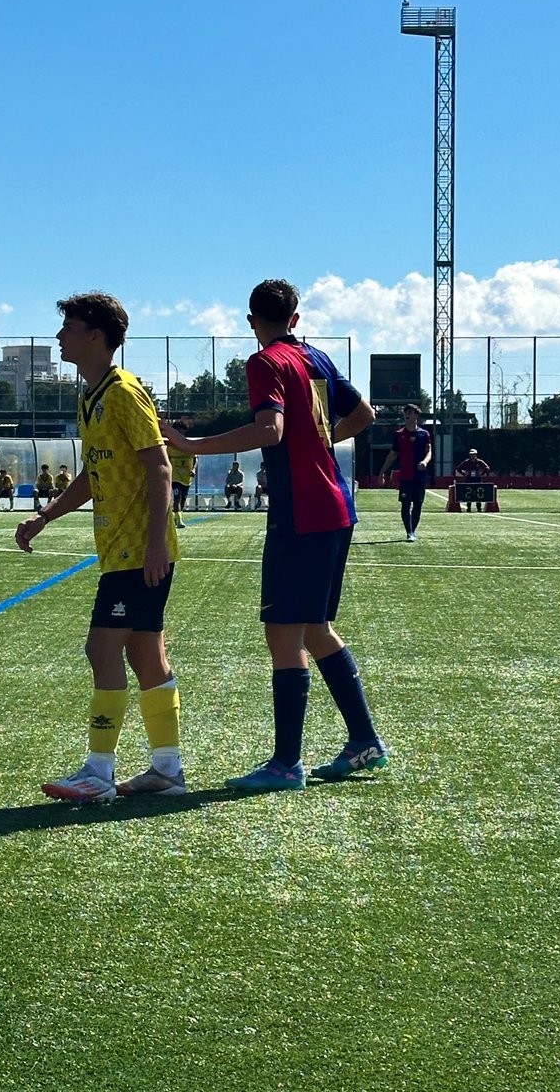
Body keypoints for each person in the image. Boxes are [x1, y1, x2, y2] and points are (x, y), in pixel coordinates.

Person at [162, 277, 386, 792]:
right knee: (315, 628)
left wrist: (192, 445)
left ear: (251, 321)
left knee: (284, 633)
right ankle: (363, 742)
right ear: (296, 318)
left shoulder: (265, 362)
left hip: (302, 512)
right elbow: (365, 415)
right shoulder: (316, 358)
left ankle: (287, 764)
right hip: (336, 507)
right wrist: (321, 439)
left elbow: (270, 430)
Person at [16, 291, 184, 803]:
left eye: (69, 327)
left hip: (138, 552)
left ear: (96, 336)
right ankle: (166, 771)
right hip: (120, 550)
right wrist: (46, 515)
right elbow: (94, 475)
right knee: (144, 654)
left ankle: (99, 771)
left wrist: (157, 544)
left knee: (102, 649)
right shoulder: (91, 397)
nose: (60, 336)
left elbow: (160, 465)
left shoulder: (125, 392)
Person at [377, 404, 432, 541]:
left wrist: (425, 462)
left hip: (419, 476)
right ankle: (409, 532)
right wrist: (382, 472)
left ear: (416, 415)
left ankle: (413, 530)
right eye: (406, 412)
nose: (407, 414)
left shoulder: (424, 434)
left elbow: (429, 452)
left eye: (410, 412)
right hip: (405, 475)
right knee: (405, 504)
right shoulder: (399, 434)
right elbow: (393, 454)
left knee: (418, 504)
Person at [168, 421, 197, 528]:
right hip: (175, 475)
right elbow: (166, 458)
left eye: (181, 430)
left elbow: (195, 458)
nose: (179, 432)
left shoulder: (189, 443)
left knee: (183, 499)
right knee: (177, 498)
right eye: (177, 430)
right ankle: (179, 520)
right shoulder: (170, 444)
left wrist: (193, 469)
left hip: (187, 476)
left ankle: (176, 517)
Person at [455, 448, 491, 513]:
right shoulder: (467, 462)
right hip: (469, 479)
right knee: (468, 494)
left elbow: (487, 468)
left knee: (479, 494)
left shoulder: (479, 462)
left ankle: (479, 508)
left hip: (477, 479)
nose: (472, 456)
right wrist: (464, 474)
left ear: (476, 455)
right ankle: (468, 507)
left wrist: (481, 474)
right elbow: (458, 468)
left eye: (473, 454)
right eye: (471, 454)